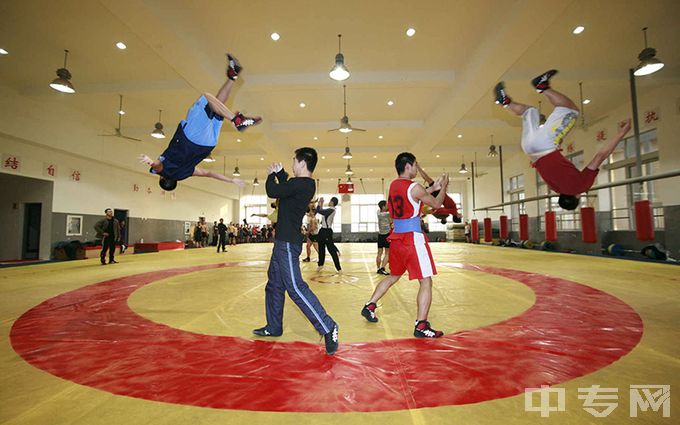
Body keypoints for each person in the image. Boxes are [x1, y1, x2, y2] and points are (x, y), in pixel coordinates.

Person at [494, 70, 632, 210]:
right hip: (529, 149)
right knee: (529, 111)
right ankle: (506, 102)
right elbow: (551, 166)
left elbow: (600, 156)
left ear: (578, 197)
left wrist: (621, 133)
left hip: (545, 145)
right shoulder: (556, 187)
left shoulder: (581, 186)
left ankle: (543, 87)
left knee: (571, 110)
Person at [253, 148, 339, 355]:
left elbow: (273, 191)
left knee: (295, 287)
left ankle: (328, 327)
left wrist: (271, 175)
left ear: (302, 163)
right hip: (282, 241)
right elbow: (286, 187)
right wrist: (281, 173)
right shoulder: (303, 184)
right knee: (274, 284)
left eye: (294, 161)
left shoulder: (302, 183)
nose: (292, 163)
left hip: (288, 243)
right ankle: (273, 326)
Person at [139, 54, 258, 191]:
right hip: (190, 138)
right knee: (206, 97)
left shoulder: (186, 173)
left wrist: (231, 180)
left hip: (208, 144)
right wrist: (150, 162)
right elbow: (157, 166)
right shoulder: (165, 172)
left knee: (215, 107)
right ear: (163, 178)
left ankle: (232, 76)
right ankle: (236, 120)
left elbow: (208, 173)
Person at [360, 152, 449, 338]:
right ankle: (421, 325)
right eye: (415, 166)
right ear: (408, 166)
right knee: (426, 281)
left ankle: (370, 305)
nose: (417, 169)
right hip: (412, 239)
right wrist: (443, 188)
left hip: (397, 238)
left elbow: (414, 196)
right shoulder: (415, 187)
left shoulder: (393, 186)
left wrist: (433, 187)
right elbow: (437, 204)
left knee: (393, 276)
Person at [315, 197, 342, 273]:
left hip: (327, 231)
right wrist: (320, 204)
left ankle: (338, 268)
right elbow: (320, 211)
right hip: (322, 231)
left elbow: (319, 211)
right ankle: (320, 265)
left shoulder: (332, 210)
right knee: (321, 249)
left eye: (330, 201)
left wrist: (320, 203)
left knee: (331, 250)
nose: (329, 202)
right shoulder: (328, 209)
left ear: (332, 202)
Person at [376, 200, 391, 275]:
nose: (388, 206)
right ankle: (382, 268)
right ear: (383, 207)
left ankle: (378, 268)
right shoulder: (388, 214)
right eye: (386, 205)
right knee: (387, 253)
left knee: (379, 253)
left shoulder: (378, 212)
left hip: (380, 235)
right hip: (387, 235)